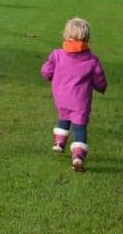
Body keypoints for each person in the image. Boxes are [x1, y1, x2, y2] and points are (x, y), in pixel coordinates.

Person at [41, 17, 107, 172]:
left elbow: (46, 71)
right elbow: (99, 78)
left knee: (63, 117)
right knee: (79, 127)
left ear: (65, 35)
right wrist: (101, 87)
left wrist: (48, 74)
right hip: (80, 102)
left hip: (61, 98)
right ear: (87, 38)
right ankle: (78, 155)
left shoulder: (57, 54)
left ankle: (59, 142)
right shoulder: (91, 60)